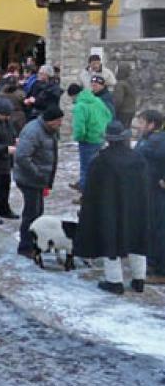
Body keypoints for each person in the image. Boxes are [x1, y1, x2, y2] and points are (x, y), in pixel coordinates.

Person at [74, 122, 150, 294]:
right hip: (136, 209)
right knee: (137, 239)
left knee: (111, 242)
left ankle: (114, 281)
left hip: (110, 210)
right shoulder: (138, 159)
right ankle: (139, 279)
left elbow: (92, 192)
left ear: (108, 139)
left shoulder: (101, 161)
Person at [14, 105, 63, 258]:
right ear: (50, 121)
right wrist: (38, 174)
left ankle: (37, 242)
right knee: (31, 214)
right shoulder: (33, 131)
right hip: (30, 180)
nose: (61, 123)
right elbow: (22, 157)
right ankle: (26, 246)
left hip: (38, 179)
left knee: (37, 212)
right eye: (59, 121)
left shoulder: (49, 130)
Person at [135, 109, 165, 283]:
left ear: (151, 125)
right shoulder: (148, 140)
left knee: (160, 230)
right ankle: (153, 262)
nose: (138, 127)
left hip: (158, 192)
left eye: (141, 122)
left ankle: (161, 271)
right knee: (152, 228)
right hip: (150, 190)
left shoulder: (158, 141)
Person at [71, 81, 112, 194]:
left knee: (85, 169)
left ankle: (85, 196)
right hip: (100, 138)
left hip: (87, 140)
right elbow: (108, 115)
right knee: (96, 167)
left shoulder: (80, 106)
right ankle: (97, 191)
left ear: (74, 95)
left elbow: (79, 127)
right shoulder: (97, 100)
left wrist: (79, 137)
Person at [114, 63, 137, 132]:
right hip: (131, 111)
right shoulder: (130, 83)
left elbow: (118, 100)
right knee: (126, 131)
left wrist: (114, 110)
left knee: (120, 132)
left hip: (123, 112)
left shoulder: (120, 84)